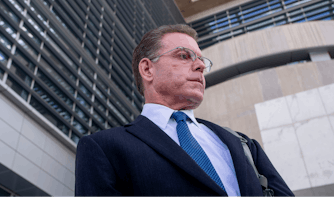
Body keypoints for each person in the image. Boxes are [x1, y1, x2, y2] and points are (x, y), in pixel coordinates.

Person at [75, 24, 294, 196]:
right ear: (147, 69)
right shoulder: (103, 148)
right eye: (183, 56)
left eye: (201, 60)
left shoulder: (243, 144)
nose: (200, 66)